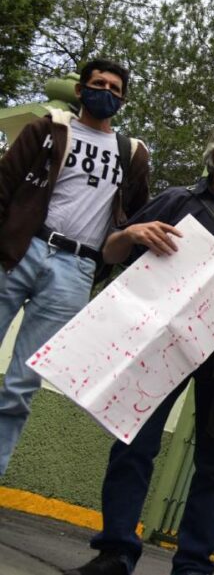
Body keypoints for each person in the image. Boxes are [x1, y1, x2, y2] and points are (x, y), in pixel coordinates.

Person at [64, 119, 214, 575]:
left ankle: (193, 566)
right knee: (134, 447)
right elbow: (111, 251)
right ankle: (116, 553)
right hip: (162, 345)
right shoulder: (177, 201)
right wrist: (131, 235)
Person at [0, 58, 149, 476]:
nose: (107, 92)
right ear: (81, 90)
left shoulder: (131, 153)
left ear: (123, 100)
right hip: (20, 251)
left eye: (115, 89)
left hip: (75, 270)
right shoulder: (49, 129)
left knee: (22, 384)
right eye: (99, 84)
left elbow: (136, 216)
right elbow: (5, 184)